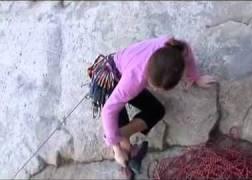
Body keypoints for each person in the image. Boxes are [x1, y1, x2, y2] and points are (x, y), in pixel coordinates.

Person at [88, 35, 216, 167]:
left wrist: (195, 77)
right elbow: (108, 111)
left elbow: (186, 52)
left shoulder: (173, 47)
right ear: (147, 74)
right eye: (153, 85)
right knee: (123, 146)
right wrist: (116, 149)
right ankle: (121, 145)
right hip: (108, 81)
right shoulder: (134, 80)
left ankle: (119, 134)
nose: (154, 89)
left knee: (158, 111)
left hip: (129, 71)